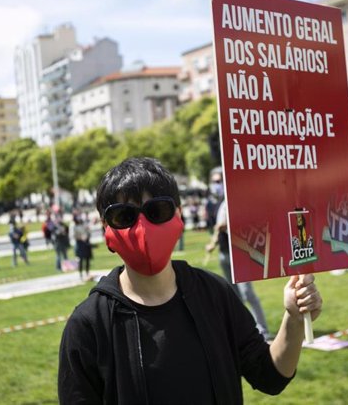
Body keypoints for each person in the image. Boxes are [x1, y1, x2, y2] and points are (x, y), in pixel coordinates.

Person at [58, 157, 322, 404]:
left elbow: (270, 376)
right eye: (124, 216)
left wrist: (294, 319)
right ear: (106, 227)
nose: (142, 228)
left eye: (157, 210)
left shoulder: (215, 294)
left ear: (179, 214)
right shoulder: (88, 326)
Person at [206, 197, 272, 340]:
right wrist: (212, 244)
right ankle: (245, 331)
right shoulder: (221, 204)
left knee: (247, 293)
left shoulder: (238, 202)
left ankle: (264, 331)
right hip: (224, 254)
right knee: (234, 297)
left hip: (239, 254)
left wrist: (226, 225)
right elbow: (218, 229)